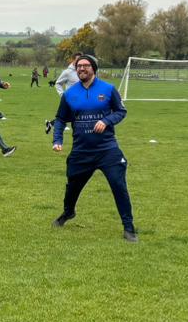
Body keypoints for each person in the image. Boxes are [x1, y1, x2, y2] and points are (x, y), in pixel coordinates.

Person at [51, 53, 137, 242]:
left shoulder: (108, 89)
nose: (81, 68)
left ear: (94, 68)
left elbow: (121, 111)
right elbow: (60, 119)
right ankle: (68, 212)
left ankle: (129, 228)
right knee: (72, 187)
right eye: (78, 66)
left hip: (107, 150)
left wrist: (106, 121)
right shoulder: (70, 94)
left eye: (86, 65)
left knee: (118, 186)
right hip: (81, 151)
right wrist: (57, 140)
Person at [45, 54, 81, 134]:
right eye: (77, 59)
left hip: (82, 99)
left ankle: (50, 124)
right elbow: (58, 83)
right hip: (70, 99)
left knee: (68, 117)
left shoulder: (82, 71)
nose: (79, 62)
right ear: (73, 60)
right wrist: (63, 95)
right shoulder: (67, 72)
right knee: (73, 117)